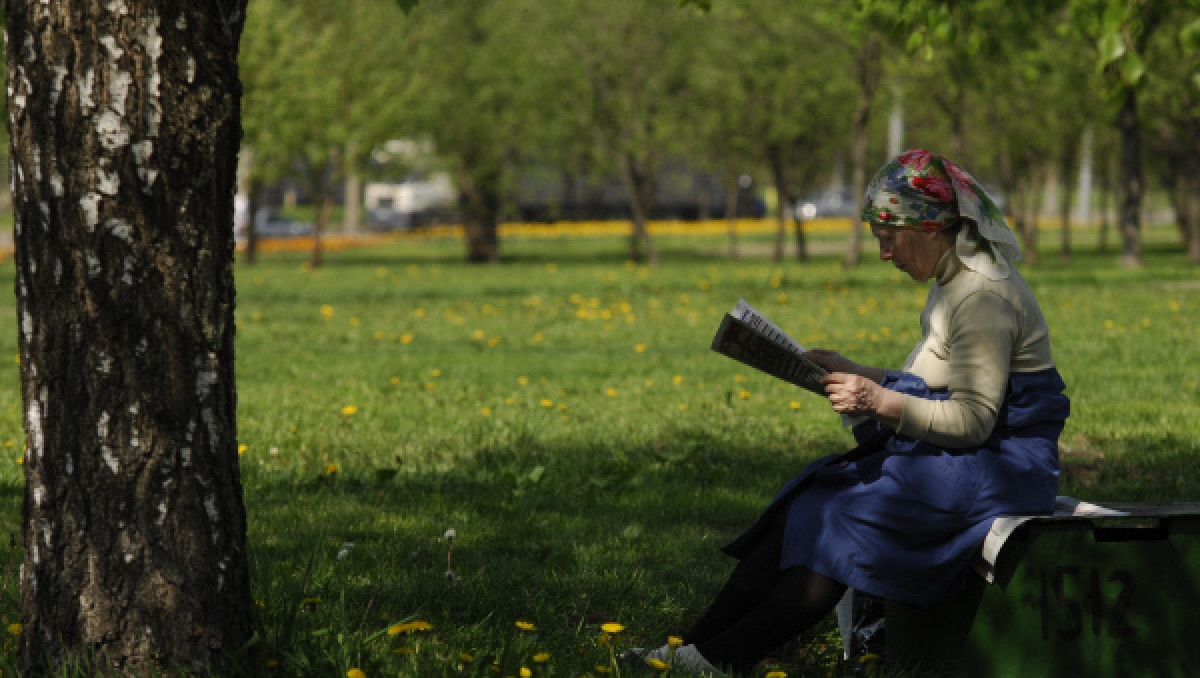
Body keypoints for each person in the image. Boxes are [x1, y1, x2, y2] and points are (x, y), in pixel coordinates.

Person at [634, 149, 1070, 675]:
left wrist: (878, 401)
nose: (884, 253)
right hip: (965, 458)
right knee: (810, 498)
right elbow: (937, 382)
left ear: (929, 227)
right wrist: (858, 371)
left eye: (889, 237)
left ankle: (721, 659)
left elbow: (975, 420)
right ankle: (693, 649)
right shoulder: (952, 279)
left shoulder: (981, 295)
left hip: (1000, 468)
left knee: (842, 519)